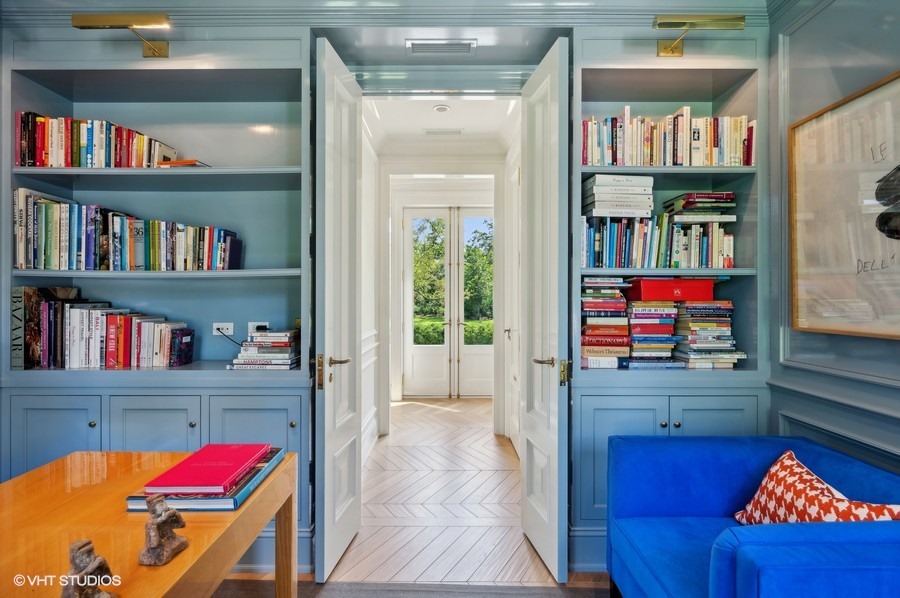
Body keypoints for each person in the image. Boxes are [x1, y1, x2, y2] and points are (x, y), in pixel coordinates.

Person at [138, 494, 189, 566]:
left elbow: (181, 525)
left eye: (165, 502)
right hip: (158, 547)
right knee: (161, 554)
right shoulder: (151, 523)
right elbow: (154, 544)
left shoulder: (166, 515)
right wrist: (161, 519)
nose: (165, 506)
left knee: (183, 541)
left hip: (171, 539)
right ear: (153, 509)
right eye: (161, 504)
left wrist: (176, 514)